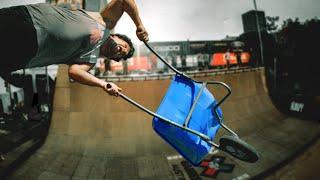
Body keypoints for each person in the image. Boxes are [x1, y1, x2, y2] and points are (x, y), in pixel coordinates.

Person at [0, 0, 149, 97]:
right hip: (27, 19)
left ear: (112, 58)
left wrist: (103, 84)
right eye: (123, 46)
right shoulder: (104, 21)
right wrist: (139, 25)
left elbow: (74, 72)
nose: (121, 50)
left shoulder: (90, 60)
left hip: (28, 52)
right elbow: (124, 1)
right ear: (117, 36)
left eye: (121, 54)